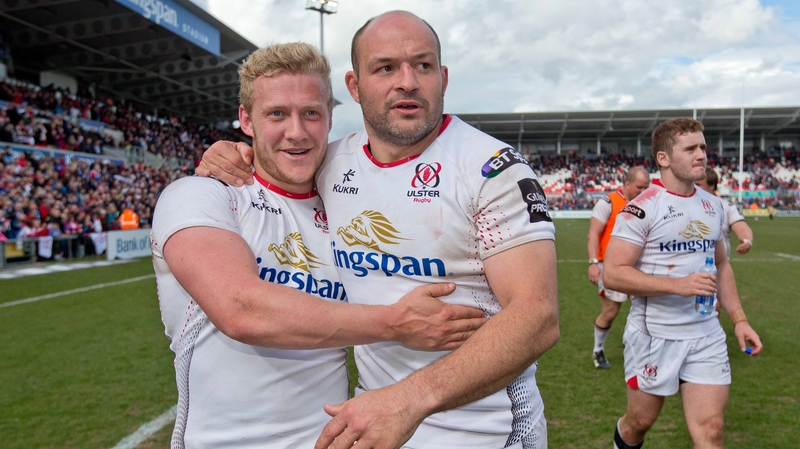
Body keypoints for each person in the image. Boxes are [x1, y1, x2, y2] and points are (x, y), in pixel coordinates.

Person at [199, 11, 559, 449]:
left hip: (485, 431)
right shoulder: (331, 164)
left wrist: (409, 400)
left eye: (422, 66)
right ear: (354, 87)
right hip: (374, 427)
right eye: (385, 67)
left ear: (442, 78)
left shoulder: (490, 168)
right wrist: (231, 153)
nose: (407, 81)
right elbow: (276, 155)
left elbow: (537, 317)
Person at [152, 42, 486, 449]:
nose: (297, 131)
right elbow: (240, 309)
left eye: (311, 112)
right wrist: (396, 323)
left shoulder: (348, 205)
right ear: (246, 120)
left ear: (329, 119)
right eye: (277, 113)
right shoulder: (202, 195)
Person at [603, 118, 763, 449]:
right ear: (663, 158)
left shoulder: (714, 205)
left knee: (712, 430)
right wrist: (678, 285)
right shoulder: (641, 209)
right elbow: (614, 273)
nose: (701, 154)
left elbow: (721, 264)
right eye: (690, 148)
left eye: (703, 147)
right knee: (639, 423)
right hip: (654, 334)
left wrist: (740, 319)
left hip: (706, 333)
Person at [587, 166, 650, 369]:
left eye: (646, 187)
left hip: (639, 265)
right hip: (611, 266)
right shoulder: (608, 203)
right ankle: (598, 350)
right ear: (628, 184)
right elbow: (594, 234)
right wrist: (593, 263)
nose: (643, 191)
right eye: (639, 187)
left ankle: (637, 347)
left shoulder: (648, 203)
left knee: (644, 309)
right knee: (611, 311)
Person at [695, 167, 753, 256]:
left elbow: (740, 226)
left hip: (718, 266)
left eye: (698, 184)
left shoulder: (725, 205)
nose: (694, 187)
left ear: (712, 185)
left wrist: (747, 241)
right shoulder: (683, 204)